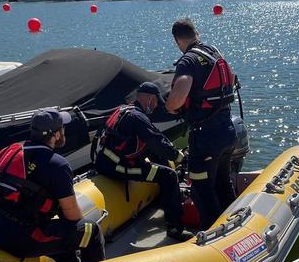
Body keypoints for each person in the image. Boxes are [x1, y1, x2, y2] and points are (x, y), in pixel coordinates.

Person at [0, 108, 104, 262]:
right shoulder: (57, 164)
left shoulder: (13, 152)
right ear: (57, 134)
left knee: (61, 235)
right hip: (21, 240)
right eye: (62, 128)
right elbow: (73, 216)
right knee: (90, 230)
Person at [165, 18, 238, 229]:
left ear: (177, 40)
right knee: (223, 185)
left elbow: (177, 99)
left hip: (205, 137)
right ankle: (234, 228)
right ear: (196, 33)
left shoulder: (188, 61)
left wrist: (170, 106)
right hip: (227, 131)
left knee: (203, 192)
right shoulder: (214, 51)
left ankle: (214, 238)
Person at [95, 82, 186, 239]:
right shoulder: (138, 117)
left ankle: (165, 199)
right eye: (157, 102)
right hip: (119, 168)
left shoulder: (124, 110)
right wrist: (180, 157)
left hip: (105, 163)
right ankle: (174, 228)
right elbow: (157, 142)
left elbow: (151, 141)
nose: (157, 106)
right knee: (169, 176)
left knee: (157, 158)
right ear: (150, 99)